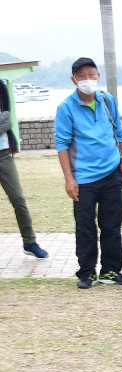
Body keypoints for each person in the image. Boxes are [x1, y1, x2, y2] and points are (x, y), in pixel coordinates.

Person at [54, 57, 122, 289]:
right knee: (85, 226)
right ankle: (86, 272)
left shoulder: (107, 100)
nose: (87, 79)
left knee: (111, 225)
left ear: (98, 76)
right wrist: (69, 179)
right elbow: (62, 144)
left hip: (111, 173)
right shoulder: (66, 108)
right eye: (82, 76)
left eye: (91, 74)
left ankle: (110, 271)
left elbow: (118, 132)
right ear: (73, 79)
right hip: (84, 178)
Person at [0, 80, 47, 259]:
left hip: (4, 153)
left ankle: (30, 242)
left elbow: (6, 119)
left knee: (18, 198)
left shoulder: (0, 86)